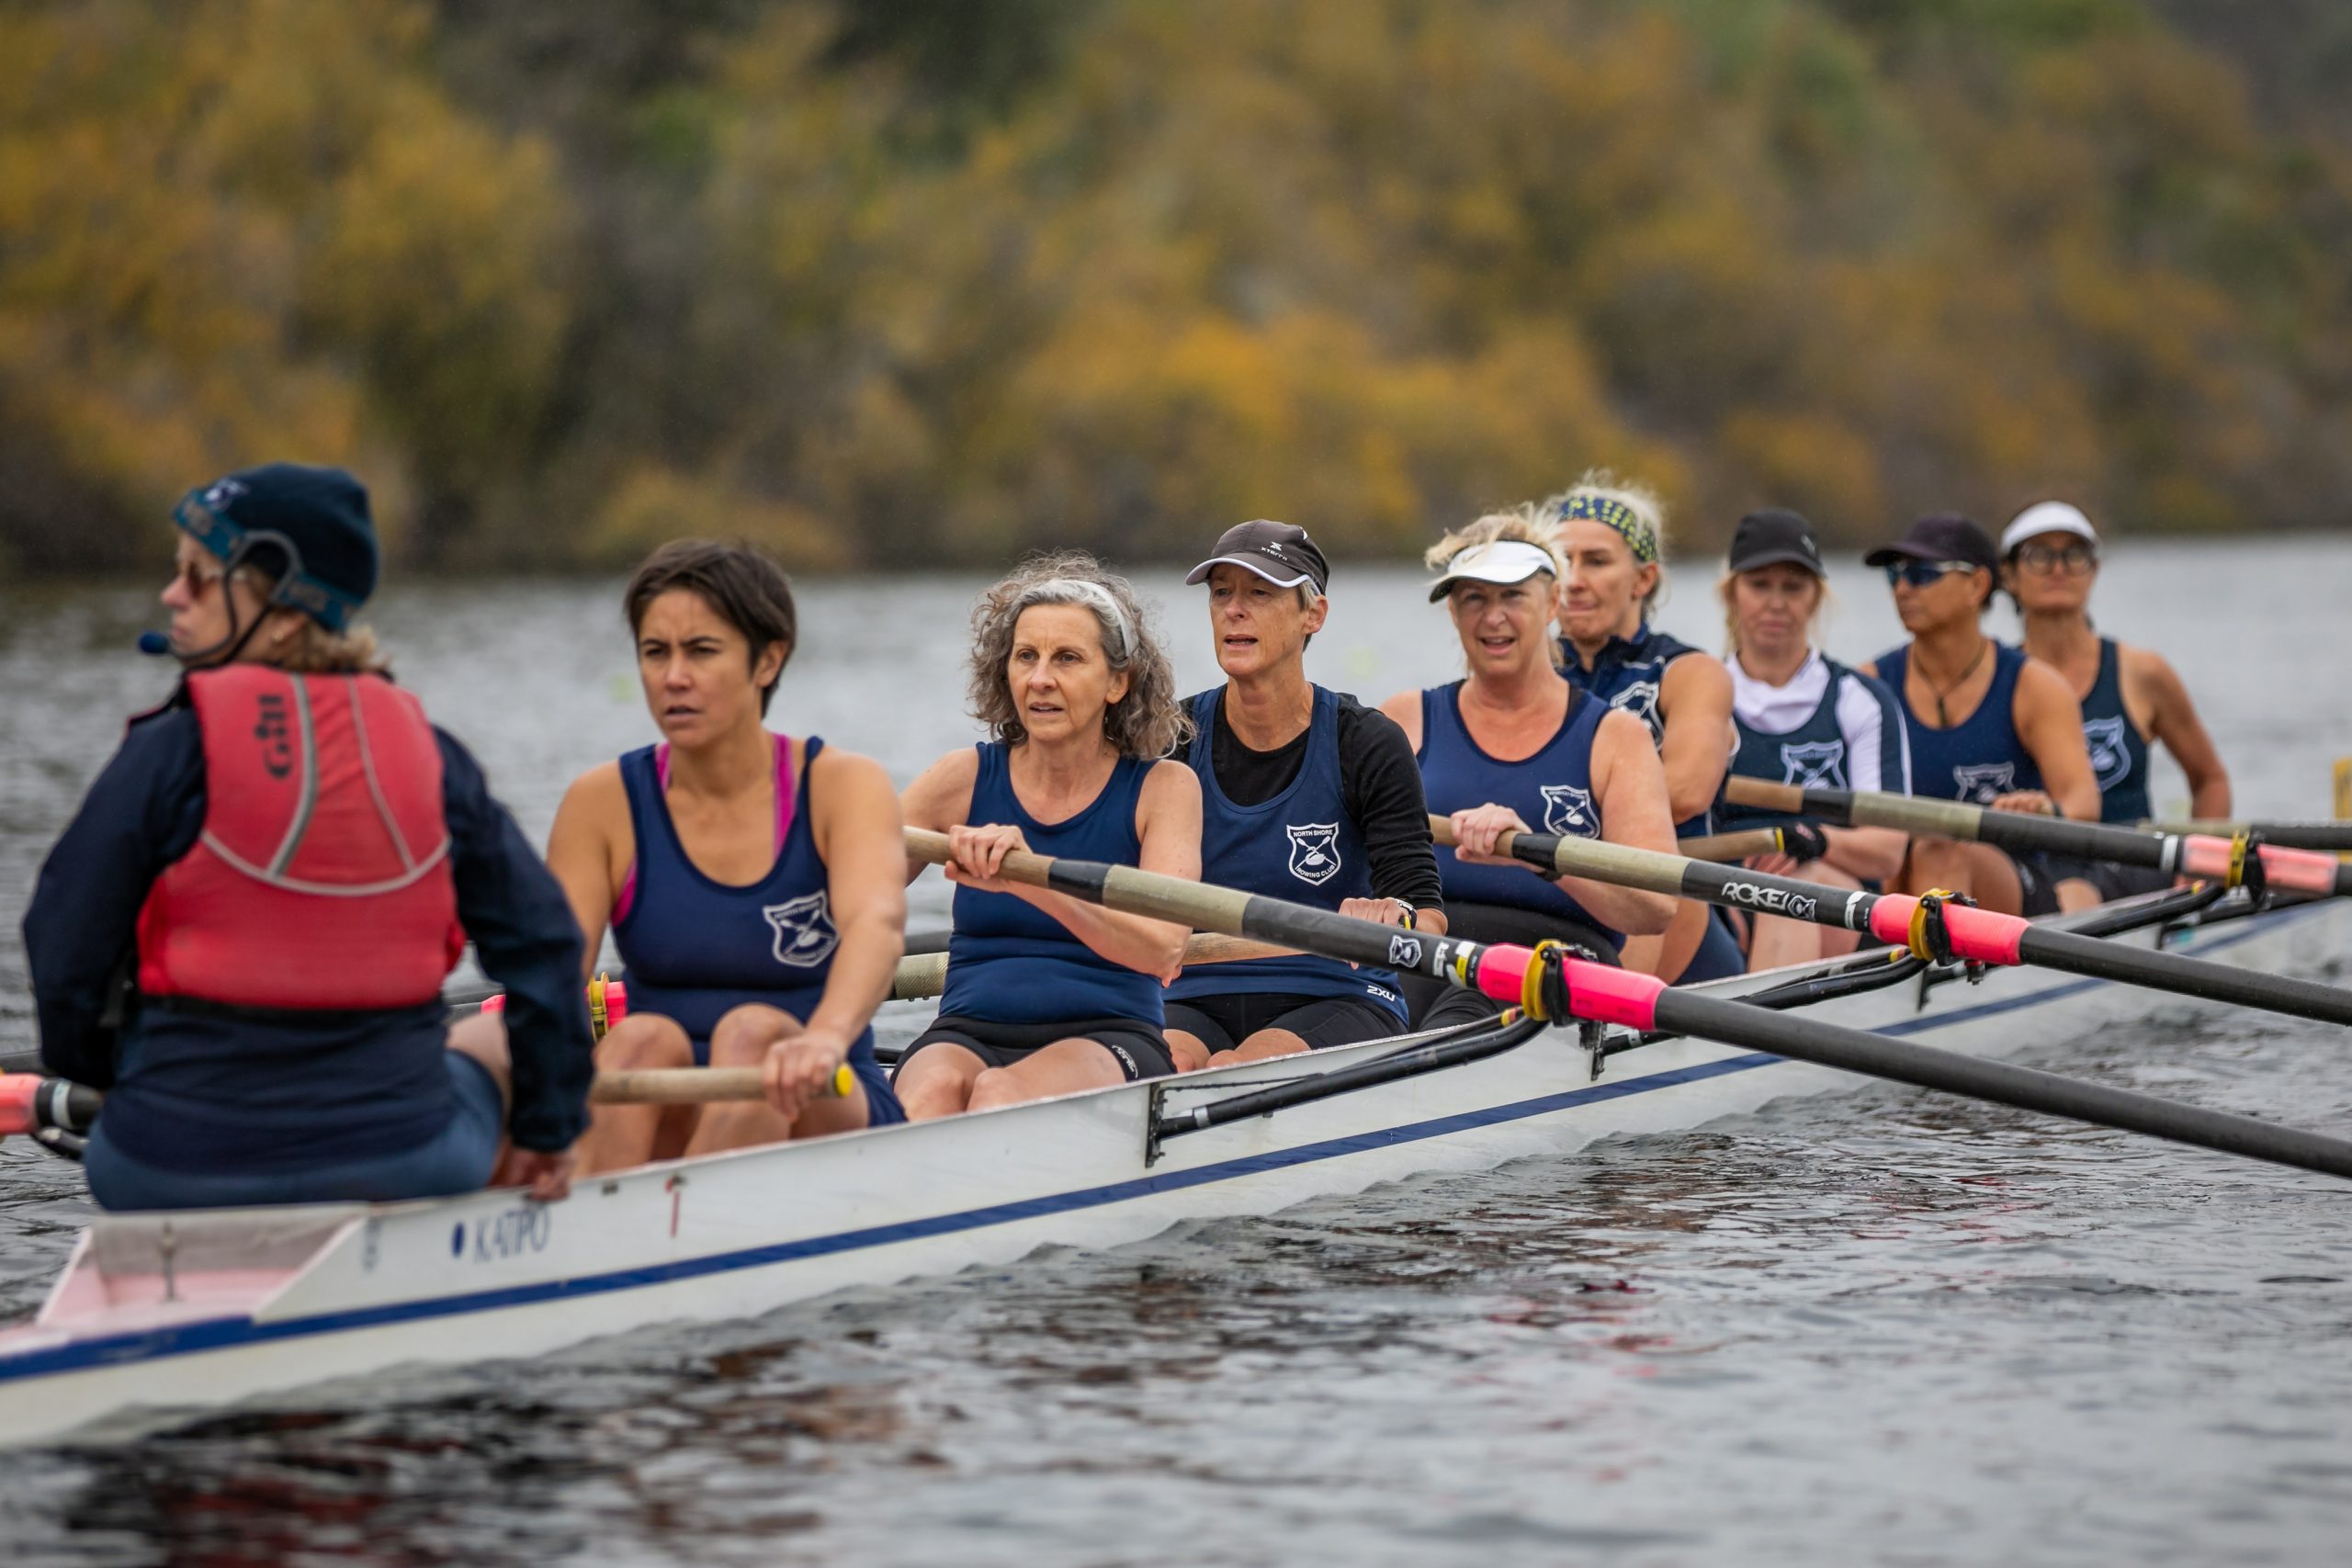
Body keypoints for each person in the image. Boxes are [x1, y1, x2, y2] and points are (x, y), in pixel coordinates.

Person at [24, 464, 591, 1209]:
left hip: (161, 1167)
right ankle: (512, 1198)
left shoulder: (164, 756)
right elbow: (545, 947)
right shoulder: (435, 760)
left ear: (287, 614)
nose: (172, 594)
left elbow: (61, 948)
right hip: (405, 1160)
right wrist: (551, 1125)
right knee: (489, 1042)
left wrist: (114, 1075)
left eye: (199, 577)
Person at [548, 542, 907, 1175]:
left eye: (701, 651)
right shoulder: (601, 803)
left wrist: (825, 1036)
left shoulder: (842, 786)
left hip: (824, 1093)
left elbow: (877, 927)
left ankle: (659, 1221)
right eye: (655, 652)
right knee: (635, 1041)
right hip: (663, 1091)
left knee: (754, 1033)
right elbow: (553, 972)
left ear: (768, 659)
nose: (673, 677)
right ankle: (601, 1212)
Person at [897, 554, 1201, 1117]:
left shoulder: (1164, 789)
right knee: (926, 1096)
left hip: (1110, 1034)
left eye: (1067, 658)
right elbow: (839, 889)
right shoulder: (961, 778)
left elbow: (1162, 949)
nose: (1040, 679)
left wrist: (1030, 879)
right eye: (1026, 657)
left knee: (1000, 1095)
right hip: (965, 1028)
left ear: (1118, 682)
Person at [1161, 522, 1444, 1070]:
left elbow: (1428, 918)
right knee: (1167, 1066)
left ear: (1313, 615)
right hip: (1194, 989)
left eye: (1259, 593)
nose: (1234, 610)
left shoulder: (1367, 743)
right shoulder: (1173, 737)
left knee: (1235, 1069)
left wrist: (1393, 916)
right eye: (1221, 593)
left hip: (1339, 992)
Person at [1379, 511, 1678, 1029]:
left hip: (1557, 965)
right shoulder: (1404, 719)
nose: (1493, 618)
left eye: (1513, 596)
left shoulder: (1616, 737)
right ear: (1453, 612)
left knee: (1462, 1013)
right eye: (1474, 598)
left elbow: (1656, 907)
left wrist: (1539, 856)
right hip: (1423, 952)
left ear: (1553, 603)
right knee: (1359, 1014)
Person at [1549, 473, 1742, 983]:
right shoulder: (1526, 676)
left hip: (1667, 908)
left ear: (1643, 579)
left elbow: (1685, 793)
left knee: (1649, 880)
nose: (1573, 580)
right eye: (1561, 561)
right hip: (1553, 891)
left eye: (1596, 561)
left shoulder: (1690, 673)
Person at [1862, 513, 2098, 917]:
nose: (1902, 589)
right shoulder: (1868, 685)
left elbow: (2084, 802)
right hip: (1902, 872)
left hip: (2014, 877)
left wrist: (2044, 809)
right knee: (1891, 858)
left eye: (1921, 574)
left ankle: (1930, 953)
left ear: (1977, 585)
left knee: (1940, 849)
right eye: (1894, 575)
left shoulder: (2033, 686)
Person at [2001, 502, 2232, 908]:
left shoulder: (2142, 673)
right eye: (2039, 555)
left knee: (2074, 891)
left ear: (2094, 570)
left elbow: (2209, 779)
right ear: (2009, 576)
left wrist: (2198, 870)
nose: (2059, 569)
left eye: (2074, 555)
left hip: (2129, 861)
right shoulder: (1996, 681)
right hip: (2037, 869)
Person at [1712, 509, 1912, 971]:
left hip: (1833, 897)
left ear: (1816, 597)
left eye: (1793, 587)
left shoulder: (1859, 700)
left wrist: (1816, 840)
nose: (1776, 603)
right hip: (1722, 890)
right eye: (1759, 585)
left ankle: (1759, 1016)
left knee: (1792, 883)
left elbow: (1887, 850)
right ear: (1732, 594)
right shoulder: (1701, 697)